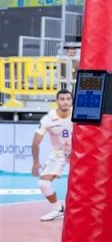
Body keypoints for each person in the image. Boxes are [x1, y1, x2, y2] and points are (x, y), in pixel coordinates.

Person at [30, 89, 74, 222]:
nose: (65, 102)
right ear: (57, 101)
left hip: (78, 152)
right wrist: (35, 163)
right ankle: (58, 209)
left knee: (89, 182)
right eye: (62, 99)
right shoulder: (48, 119)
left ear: (72, 101)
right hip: (59, 153)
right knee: (43, 183)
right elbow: (36, 142)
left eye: (68, 99)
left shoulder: (78, 115)